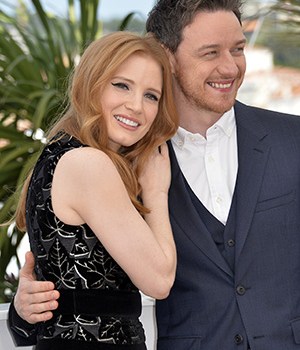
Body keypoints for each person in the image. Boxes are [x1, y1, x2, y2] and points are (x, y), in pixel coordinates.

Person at [8, 0, 300, 349]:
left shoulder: (292, 140)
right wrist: (24, 309)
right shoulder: (125, 164)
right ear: (168, 56)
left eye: (238, 49)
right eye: (210, 52)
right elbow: (72, 270)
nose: (230, 66)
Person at [5, 30, 178, 350]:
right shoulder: (89, 164)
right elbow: (160, 280)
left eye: (151, 95)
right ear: (91, 83)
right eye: (122, 85)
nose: (136, 106)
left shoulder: (58, 154)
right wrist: (156, 191)